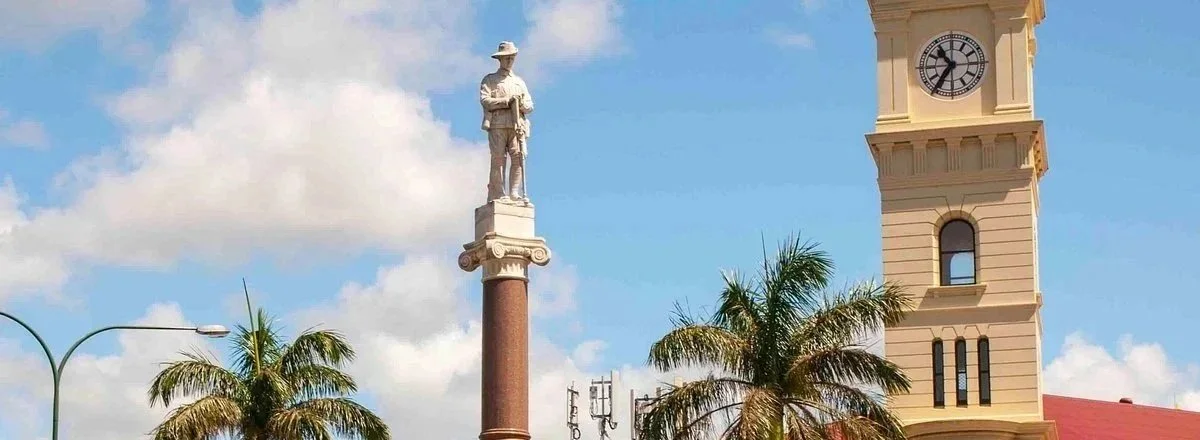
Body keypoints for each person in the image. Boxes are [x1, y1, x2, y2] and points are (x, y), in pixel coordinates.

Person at [479, 41, 534, 203]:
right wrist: (506, 101)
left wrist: (521, 104)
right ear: (500, 60)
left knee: (518, 157)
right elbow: (485, 100)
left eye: (511, 58)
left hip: (517, 125)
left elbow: (530, 105)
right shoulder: (490, 80)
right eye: (506, 58)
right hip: (497, 124)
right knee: (498, 159)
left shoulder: (519, 82)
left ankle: (514, 192)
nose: (509, 61)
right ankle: (499, 192)